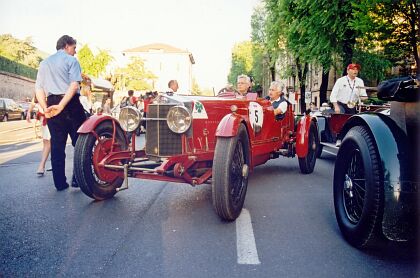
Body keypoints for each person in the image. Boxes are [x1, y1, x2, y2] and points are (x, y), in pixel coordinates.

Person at [35, 35, 87, 191]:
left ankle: (60, 183)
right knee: (80, 143)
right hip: (70, 104)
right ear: (66, 46)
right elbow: (73, 86)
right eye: (74, 48)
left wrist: (46, 109)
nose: (75, 51)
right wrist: (62, 105)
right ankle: (77, 179)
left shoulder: (44, 63)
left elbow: (38, 88)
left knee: (57, 145)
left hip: (51, 104)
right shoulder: (71, 61)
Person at [26, 95, 51, 177]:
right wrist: (29, 112)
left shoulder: (49, 88)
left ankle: (42, 165)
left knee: (48, 142)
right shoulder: (39, 89)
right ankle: (53, 162)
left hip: (51, 118)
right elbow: (33, 102)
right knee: (46, 142)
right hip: (43, 119)